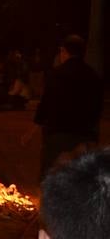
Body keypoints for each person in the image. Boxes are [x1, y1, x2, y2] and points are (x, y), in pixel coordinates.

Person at [34, 34, 103, 178]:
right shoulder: (93, 76)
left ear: (64, 51)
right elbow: (97, 108)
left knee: (52, 175)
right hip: (85, 135)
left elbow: (46, 103)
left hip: (58, 135)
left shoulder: (57, 74)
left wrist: (37, 123)